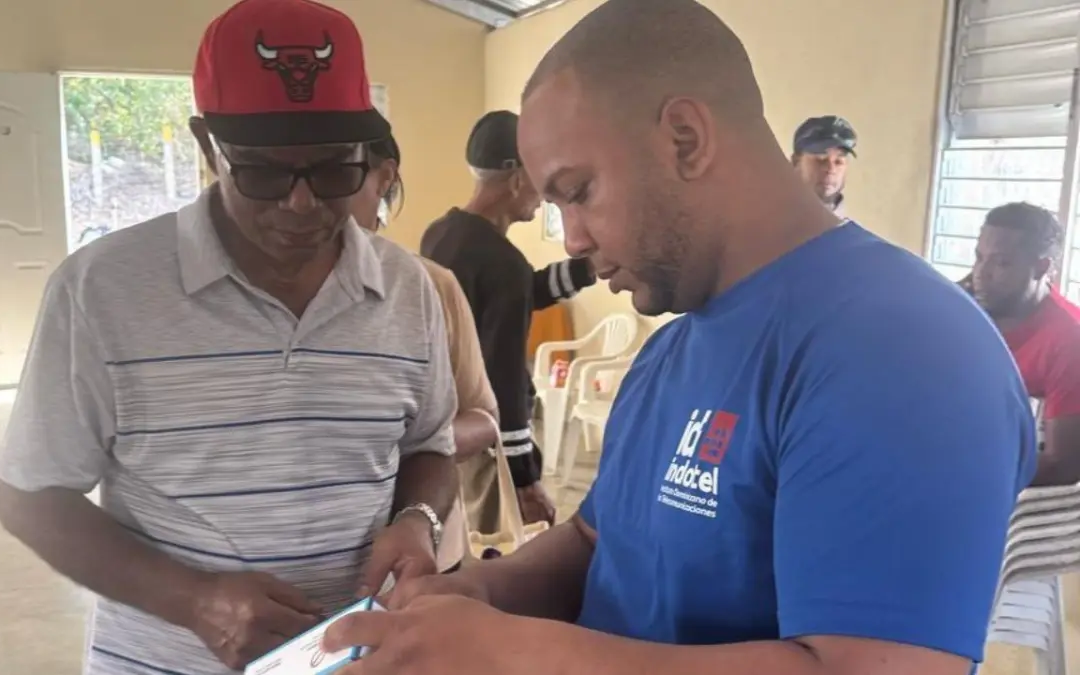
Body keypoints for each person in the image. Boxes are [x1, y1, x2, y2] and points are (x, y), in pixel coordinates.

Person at [324, 2, 1036, 674]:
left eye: (579, 192)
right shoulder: (672, 349)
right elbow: (597, 543)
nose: (573, 240)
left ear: (685, 140)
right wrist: (480, 594)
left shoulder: (908, 351)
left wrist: (513, 650)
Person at [0, 1, 458, 673]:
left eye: (334, 170)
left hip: (353, 659)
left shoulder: (407, 288)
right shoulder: (100, 290)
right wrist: (194, 600)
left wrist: (417, 518)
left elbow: (431, 445)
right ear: (206, 145)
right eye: (263, 172)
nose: (301, 203)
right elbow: (29, 496)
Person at [420, 110, 598, 527]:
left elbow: (511, 296)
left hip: (443, 426)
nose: (544, 197)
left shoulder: (442, 235)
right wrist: (524, 477)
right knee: (494, 548)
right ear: (518, 179)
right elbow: (504, 377)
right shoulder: (503, 264)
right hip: (484, 441)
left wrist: (588, 268)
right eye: (541, 182)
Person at [349, 133, 501, 571]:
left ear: (383, 179)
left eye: (335, 172)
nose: (305, 200)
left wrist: (400, 448)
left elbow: (484, 418)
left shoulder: (429, 286)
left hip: (422, 560)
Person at [965, 202, 1080, 486]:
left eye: (1002, 263)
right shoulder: (964, 305)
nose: (981, 273)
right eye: (979, 258)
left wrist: (961, 470)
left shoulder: (1069, 341)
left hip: (1004, 483)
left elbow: (1063, 464)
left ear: (1041, 268)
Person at [791, 115, 856, 215]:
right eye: (821, 159)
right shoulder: (769, 219)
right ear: (796, 162)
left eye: (838, 162)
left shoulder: (853, 227)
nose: (831, 169)